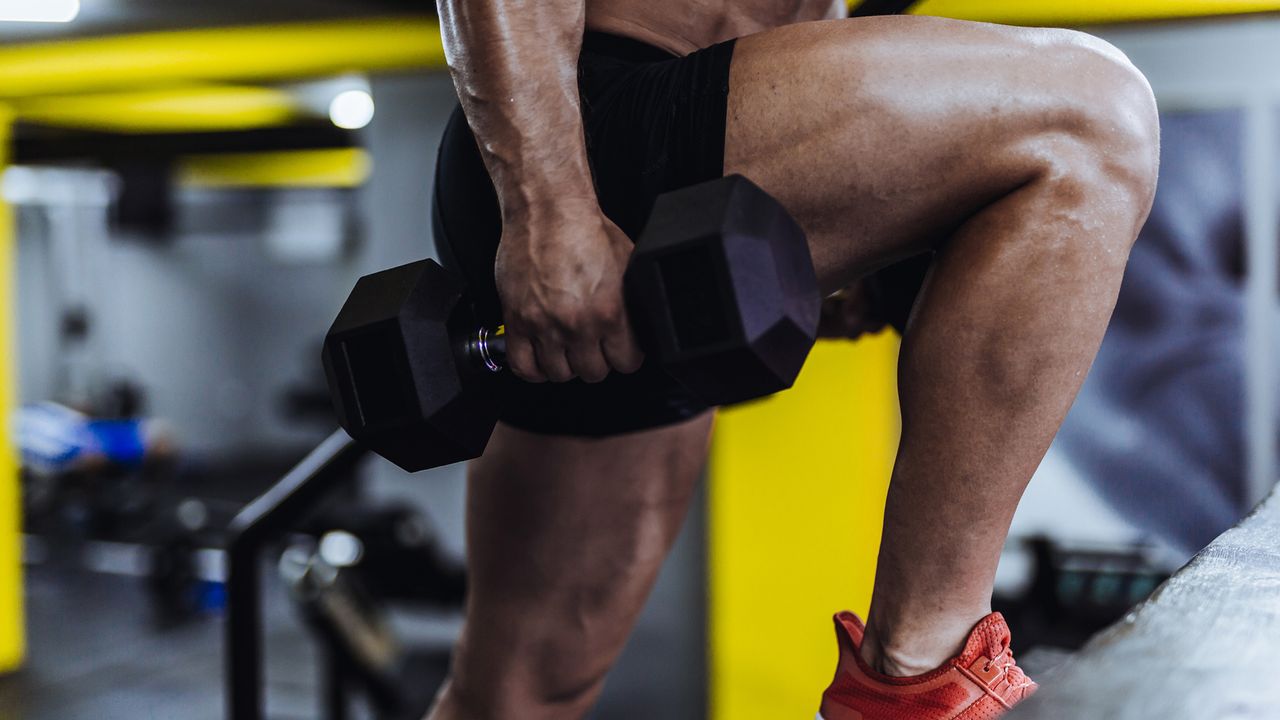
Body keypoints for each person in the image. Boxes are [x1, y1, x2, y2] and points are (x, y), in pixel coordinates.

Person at [428, 1, 1160, 718]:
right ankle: (915, 677)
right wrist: (546, 205)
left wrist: (858, 233)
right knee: (1092, 120)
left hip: (706, 196)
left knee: (521, 691)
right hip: (592, 129)